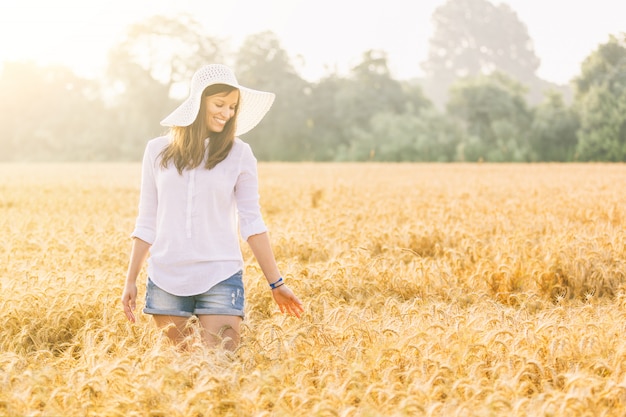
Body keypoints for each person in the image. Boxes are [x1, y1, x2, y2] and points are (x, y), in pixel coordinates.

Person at [121, 64, 304, 350]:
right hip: (165, 277)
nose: (227, 113)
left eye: (232, 107)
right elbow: (147, 220)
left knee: (221, 373)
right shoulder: (156, 151)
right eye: (220, 104)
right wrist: (130, 280)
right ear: (198, 102)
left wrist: (276, 283)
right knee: (177, 376)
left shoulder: (239, 154)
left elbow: (252, 222)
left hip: (220, 275)